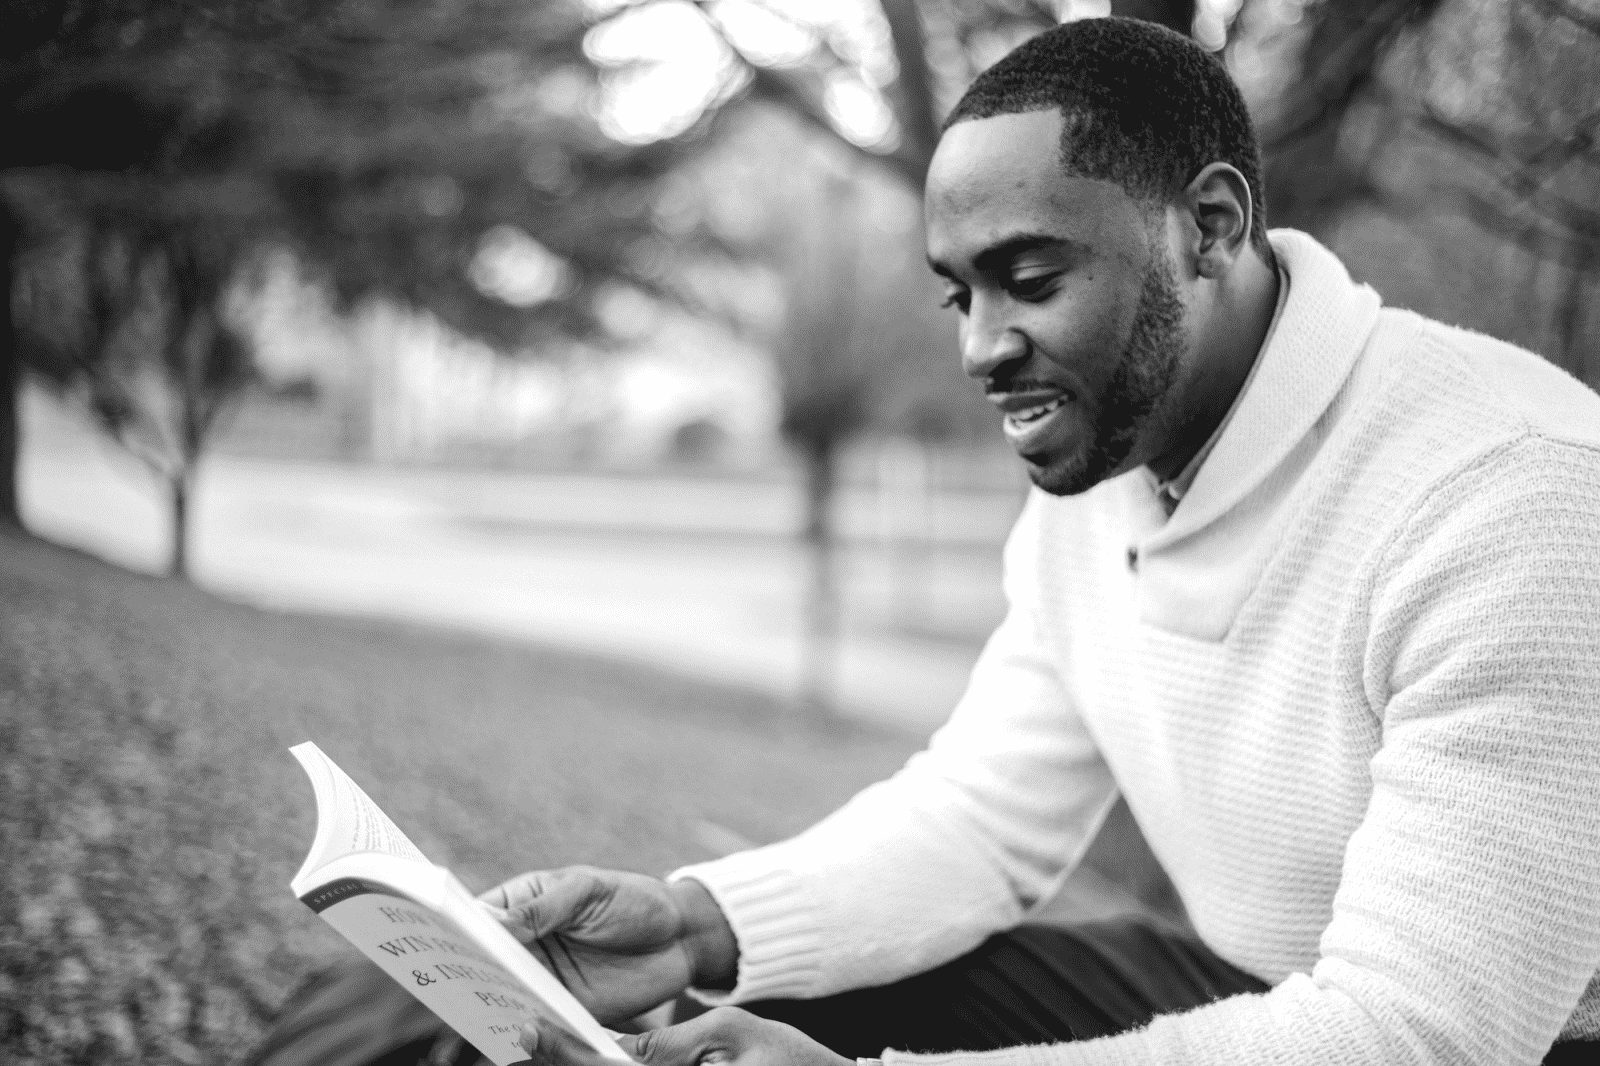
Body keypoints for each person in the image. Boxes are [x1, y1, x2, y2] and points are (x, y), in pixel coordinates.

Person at [486, 17, 1600, 1066]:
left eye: (1029, 281)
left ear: (1208, 227)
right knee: (765, 1005)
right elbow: (981, 816)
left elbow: (1417, 1038)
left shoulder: (1512, 498)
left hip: (1510, 1038)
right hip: (1263, 981)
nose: (980, 348)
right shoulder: (1107, 468)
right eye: (957, 296)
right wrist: (693, 925)